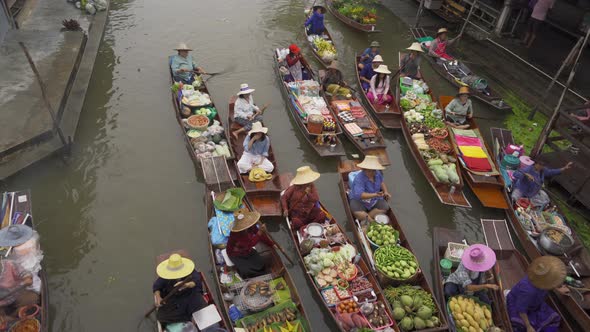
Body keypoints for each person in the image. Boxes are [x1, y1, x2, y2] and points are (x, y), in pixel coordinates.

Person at [506, 256, 569, 332]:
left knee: (555, 318)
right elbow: (521, 310)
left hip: (535, 303)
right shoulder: (528, 291)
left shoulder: (539, 278)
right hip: (519, 306)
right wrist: (528, 326)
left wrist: (558, 288)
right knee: (521, 327)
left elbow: (551, 281)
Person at [153, 254, 206, 324]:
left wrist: (187, 285)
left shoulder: (190, 271)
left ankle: (192, 318)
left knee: (202, 310)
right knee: (161, 317)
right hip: (176, 299)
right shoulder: (165, 275)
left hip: (190, 295)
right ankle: (189, 319)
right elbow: (157, 286)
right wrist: (158, 297)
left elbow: (196, 279)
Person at [226, 209, 276, 278]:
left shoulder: (251, 226)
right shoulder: (235, 233)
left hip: (247, 251)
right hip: (235, 254)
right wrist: (260, 232)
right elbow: (251, 243)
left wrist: (271, 244)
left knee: (260, 263)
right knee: (246, 271)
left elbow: (260, 236)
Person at [281, 166, 327, 230]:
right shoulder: (294, 187)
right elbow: (284, 197)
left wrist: (308, 193)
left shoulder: (312, 186)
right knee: (296, 223)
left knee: (322, 215)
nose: (308, 183)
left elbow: (316, 199)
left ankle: (306, 227)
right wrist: (285, 209)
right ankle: (307, 227)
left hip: (309, 211)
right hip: (297, 213)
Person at [348, 156, 391, 222]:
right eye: (369, 171)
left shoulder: (377, 174)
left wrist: (386, 192)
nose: (372, 173)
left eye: (373, 170)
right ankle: (372, 222)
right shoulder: (359, 179)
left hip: (374, 200)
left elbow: (381, 182)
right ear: (364, 169)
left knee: (385, 207)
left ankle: (366, 219)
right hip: (360, 200)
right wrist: (375, 195)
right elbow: (360, 195)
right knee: (356, 212)